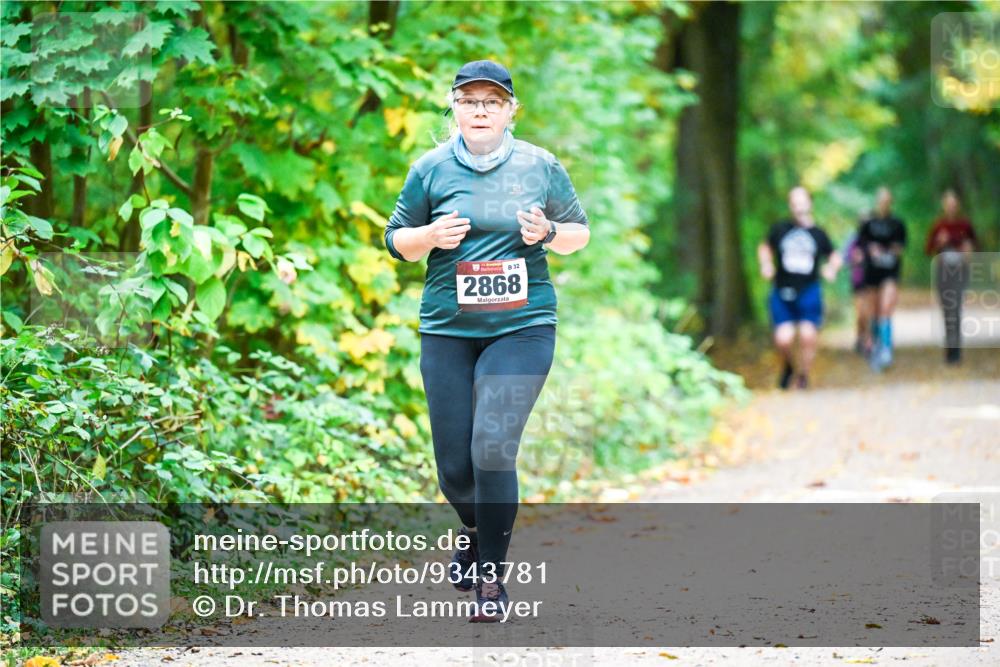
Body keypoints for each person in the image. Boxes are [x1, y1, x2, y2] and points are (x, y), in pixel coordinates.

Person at [384, 60, 590, 621]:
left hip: (522, 328)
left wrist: (549, 231)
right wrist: (428, 236)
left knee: (492, 447)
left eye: (492, 102)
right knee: (455, 467)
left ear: (509, 111)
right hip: (448, 330)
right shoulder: (429, 169)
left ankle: (492, 582)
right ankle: (475, 531)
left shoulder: (540, 166)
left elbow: (578, 233)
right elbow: (395, 240)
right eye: (470, 100)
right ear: (453, 106)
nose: (480, 110)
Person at [757, 186, 841, 389]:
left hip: (809, 290)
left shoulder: (818, 233)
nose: (798, 207)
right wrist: (766, 264)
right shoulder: (780, 229)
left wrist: (831, 269)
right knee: (783, 339)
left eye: (802, 202)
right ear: (790, 206)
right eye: (794, 203)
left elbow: (834, 256)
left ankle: (803, 375)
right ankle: (789, 367)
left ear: (810, 204)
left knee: (807, 335)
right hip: (782, 290)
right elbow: (765, 247)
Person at [925, 188, 977, 364]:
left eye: (954, 204)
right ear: (944, 206)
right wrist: (938, 242)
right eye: (948, 204)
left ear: (958, 205)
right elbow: (928, 250)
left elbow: (975, 247)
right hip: (943, 271)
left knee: (956, 307)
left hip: (960, 270)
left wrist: (968, 250)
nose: (951, 207)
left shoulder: (965, 225)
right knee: (947, 308)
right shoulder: (938, 225)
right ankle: (950, 346)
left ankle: (956, 350)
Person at [858, 187, 907, 371]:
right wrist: (870, 251)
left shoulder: (897, 224)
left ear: (891, 202)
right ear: (877, 201)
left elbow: (901, 247)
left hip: (890, 272)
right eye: (881, 200)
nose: (884, 203)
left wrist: (889, 251)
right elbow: (860, 246)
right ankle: (876, 347)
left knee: (886, 309)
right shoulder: (868, 224)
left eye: (887, 200)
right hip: (872, 273)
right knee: (874, 312)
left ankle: (886, 349)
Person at [840, 229, 871, 356]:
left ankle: (869, 340)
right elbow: (845, 257)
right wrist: (854, 258)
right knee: (861, 313)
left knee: (870, 313)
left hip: (874, 280)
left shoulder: (876, 237)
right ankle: (861, 338)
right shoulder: (854, 239)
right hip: (859, 281)